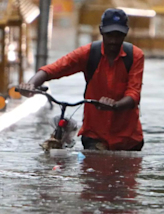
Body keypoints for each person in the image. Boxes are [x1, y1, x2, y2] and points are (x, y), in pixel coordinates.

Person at [18, 8, 144, 151]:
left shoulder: (135, 56)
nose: (113, 41)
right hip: (95, 136)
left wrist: (115, 105)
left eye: (118, 35)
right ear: (101, 31)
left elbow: (134, 94)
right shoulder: (89, 53)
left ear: (126, 33)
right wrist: (31, 84)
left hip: (128, 139)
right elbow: (55, 68)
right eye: (109, 35)